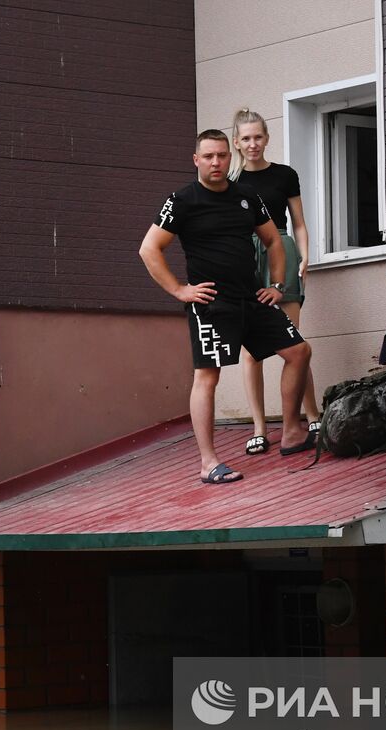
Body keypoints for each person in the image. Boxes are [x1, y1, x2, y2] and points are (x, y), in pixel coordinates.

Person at [138, 129, 315, 484]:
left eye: (221, 156)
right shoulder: (183, 200)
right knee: (207, 377)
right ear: (196, 160)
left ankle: (293, 431)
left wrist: (277, 285)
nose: (216, 162)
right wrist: (179, 290)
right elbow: (149, 249)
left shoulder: (246, 196)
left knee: (299, 351)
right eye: (209, 157)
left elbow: (274, 241)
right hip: (211, 304)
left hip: (252, 297)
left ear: (228, 157)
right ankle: (208, 463)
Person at [229, 107, 321, 457]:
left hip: (283, 249)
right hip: (248, 259)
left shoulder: (285, 175)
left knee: (294, 342)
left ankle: (311, 415)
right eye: (246, 138)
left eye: (259, 137)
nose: (253, 143)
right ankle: (258, 428)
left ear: (267, 138)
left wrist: (306, 253)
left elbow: (298, 221)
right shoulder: (231, 184)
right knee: (251, 350)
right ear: (237, 142)